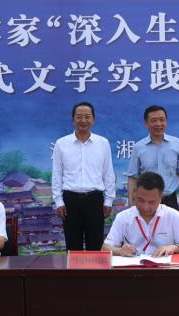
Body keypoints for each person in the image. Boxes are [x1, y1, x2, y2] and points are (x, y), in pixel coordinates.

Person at [52, 101, 115, 251]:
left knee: (96, 245)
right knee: (73, 246)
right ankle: (75, 275)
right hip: (70, 201)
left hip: (95, 200)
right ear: (72, 120)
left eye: (87, 117)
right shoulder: (61, 144)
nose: (83, 120)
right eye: (79, 117)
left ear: (93, 119)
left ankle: (95, 274)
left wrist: (109, 200)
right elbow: (57, 175)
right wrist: (58, 201)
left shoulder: (103, 143)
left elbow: (108, 173)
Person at [102, 172, 179, 257]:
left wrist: (175, 247)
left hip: (165, 272)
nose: (145, 207)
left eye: (151, 202)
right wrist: (120, 251)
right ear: (134, 194)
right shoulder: (123, 217)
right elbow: (105, 248)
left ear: (161, 198)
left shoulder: (173, 216)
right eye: (141, 200)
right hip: (133, 272)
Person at [126, 105, 179, 215]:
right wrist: (131, 202)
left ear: (166, 121)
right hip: (146, 202)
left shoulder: (177, 144)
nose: (158, 124)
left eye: (162, 120)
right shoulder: (139, 147)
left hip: (170, 200)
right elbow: (133, 177)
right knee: (146, 232)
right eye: (154, 120)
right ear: (146, 124)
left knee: (170, 232)